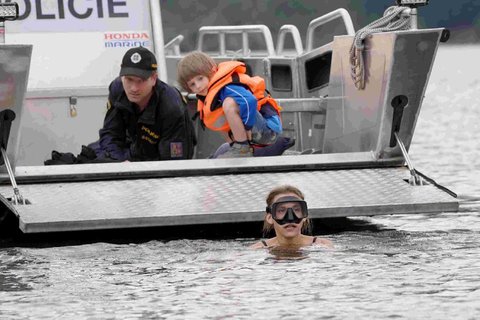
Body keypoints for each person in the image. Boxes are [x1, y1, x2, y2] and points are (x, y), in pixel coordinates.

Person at [177, 51, 293, 158]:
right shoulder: (210, 94)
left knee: (229, 103)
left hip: (268, 130)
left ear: (212, 71)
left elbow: (249, 101)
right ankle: (239, 149)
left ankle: (242, 148)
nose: (198, 86)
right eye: (192, 84)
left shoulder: (228, 87)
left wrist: (247, 128)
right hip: (253, 135)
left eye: (200, 79)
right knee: (220, 152)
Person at [250, 185, 333, 249]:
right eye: (281, 210)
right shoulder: (258, 250)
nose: (290, 218)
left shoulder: (323, 246)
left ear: (304, 216)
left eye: (296, 210)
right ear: (270, 218)